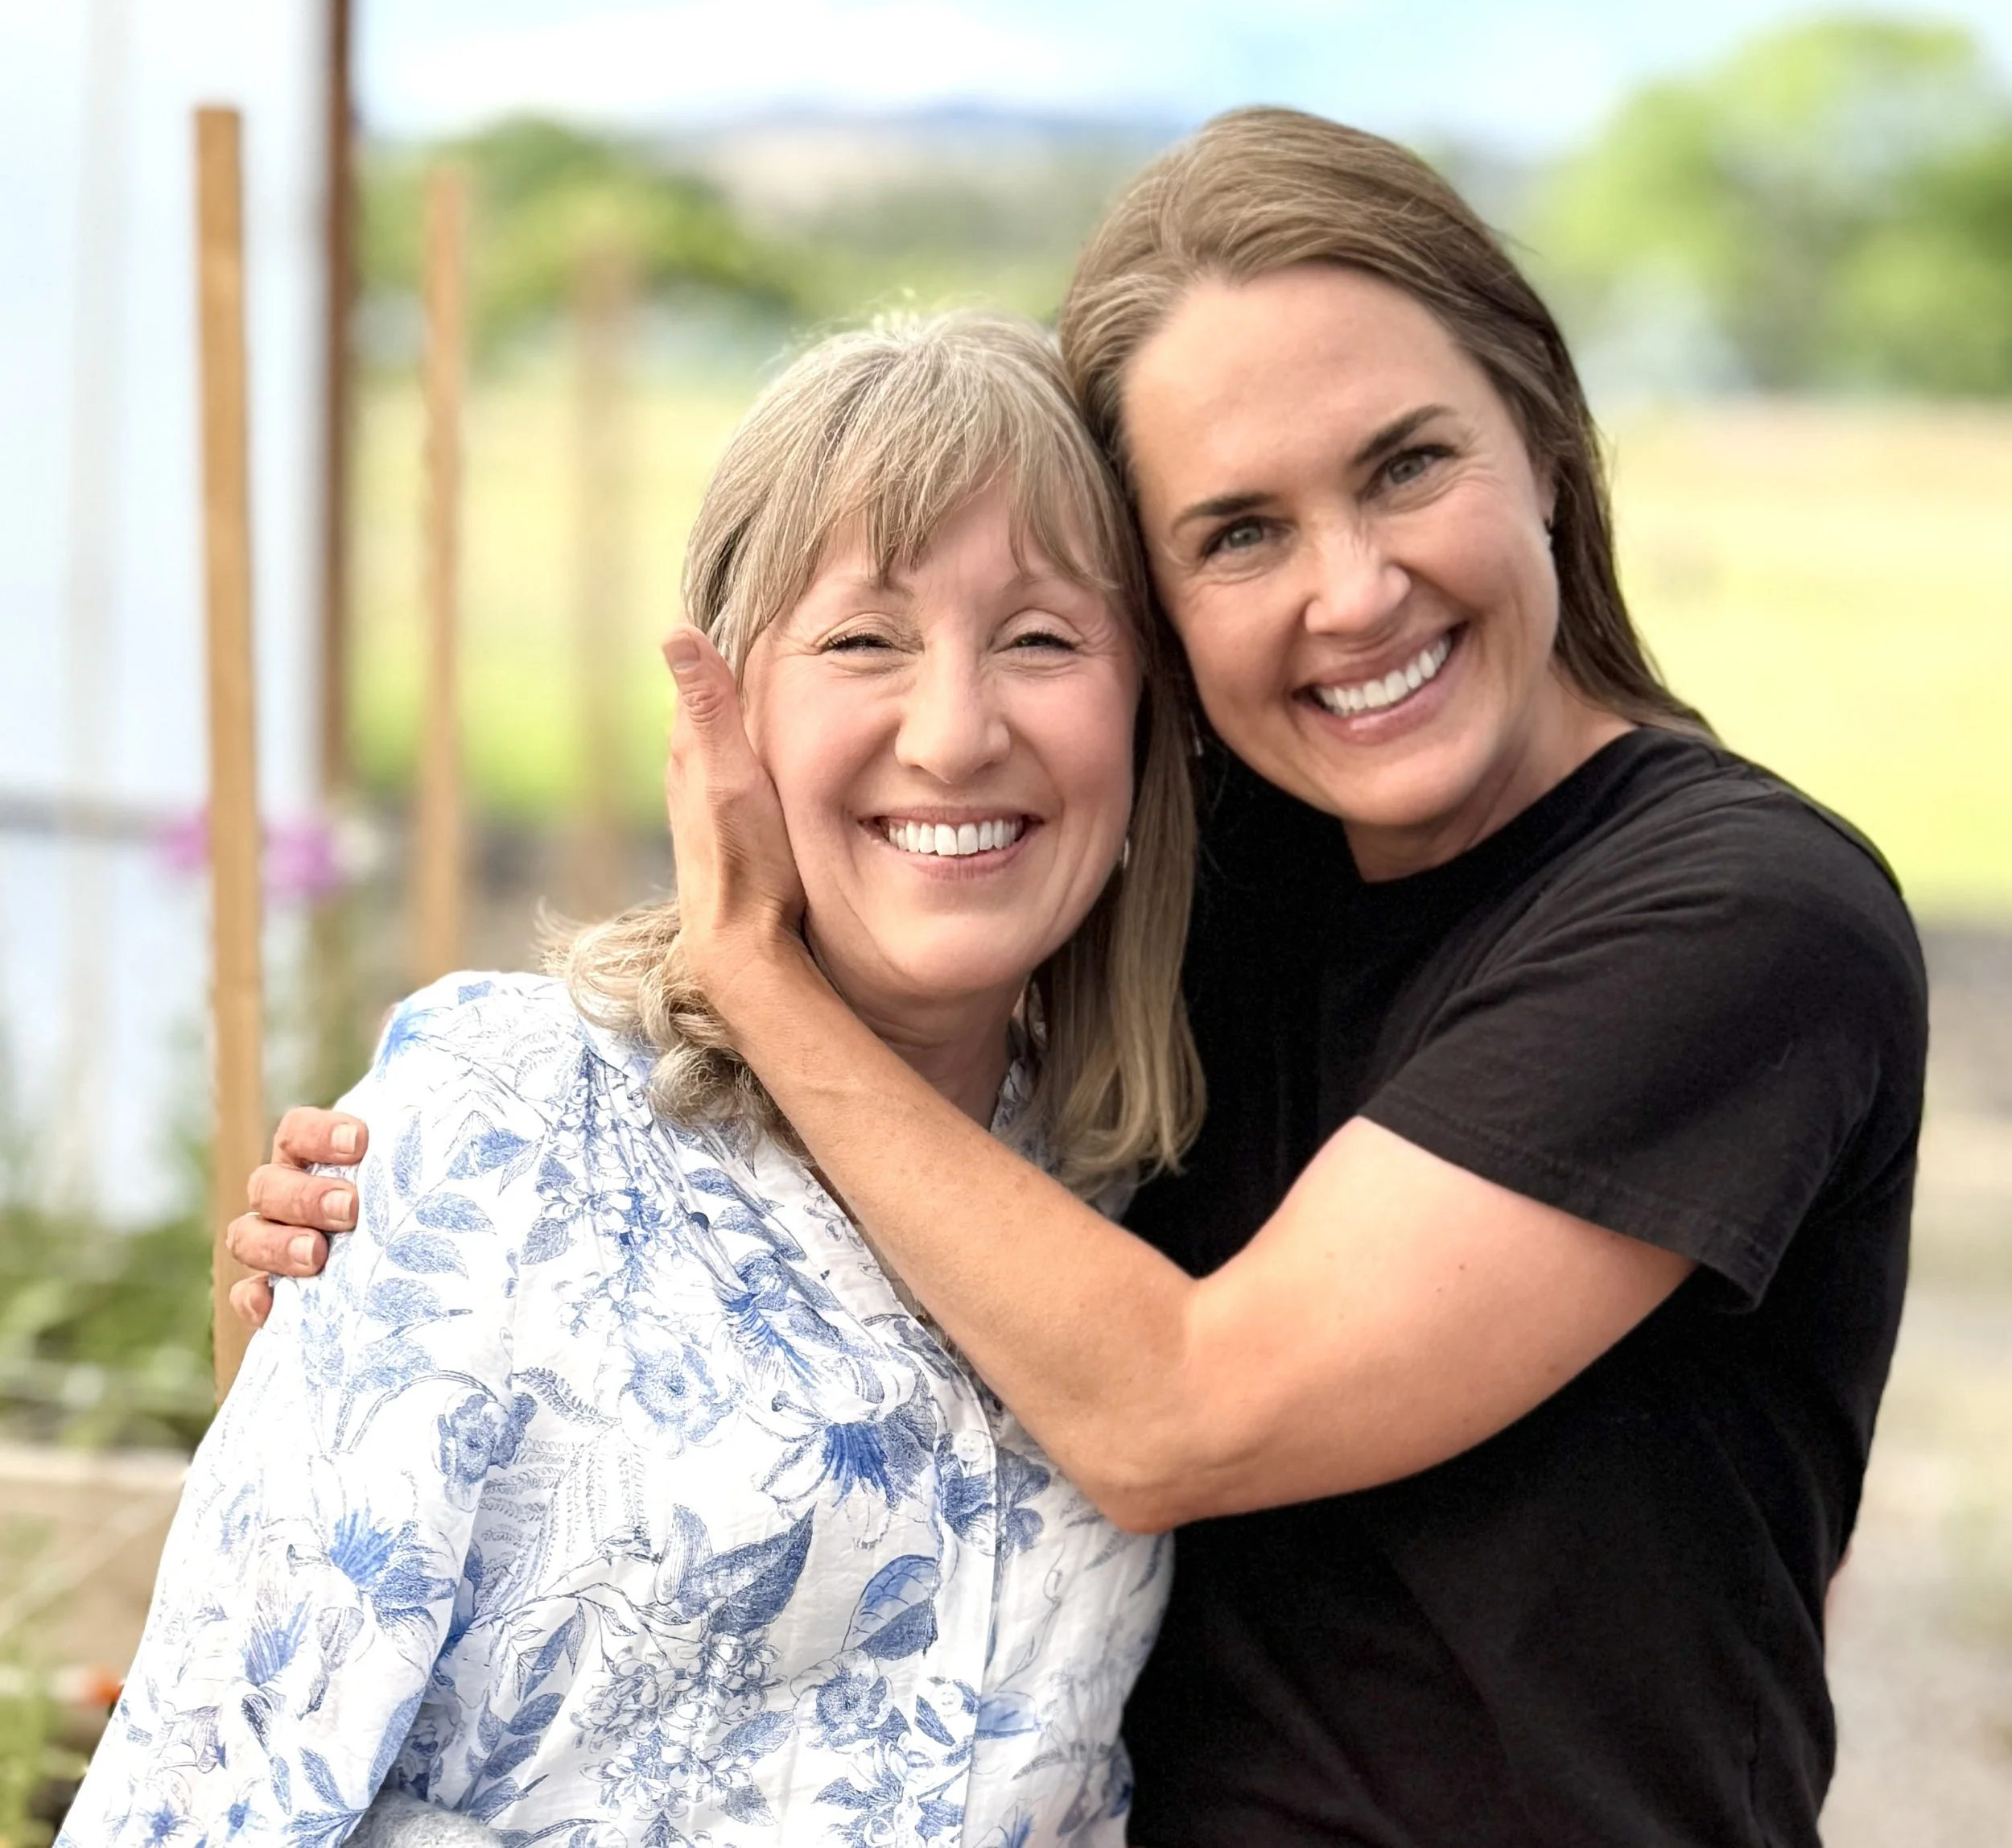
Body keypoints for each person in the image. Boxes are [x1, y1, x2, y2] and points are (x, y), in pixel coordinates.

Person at [233, 109, 1927, 1848]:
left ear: (1545, 446)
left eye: (1407, 464)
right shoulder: (1210, 880)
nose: (1350, 589)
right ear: (1163, 620)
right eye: (1237, 532)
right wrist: (388, 1275)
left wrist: (748, 968)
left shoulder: (1732, 922)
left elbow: (1171, 1410)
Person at [63, 311, 1203, 1847]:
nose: (955, 730)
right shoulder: (504, 1121)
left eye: (1044, 637)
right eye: (864, 638)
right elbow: (213, 1777)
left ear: (1146, 714)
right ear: (720, 719)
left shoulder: (1155, 1185)